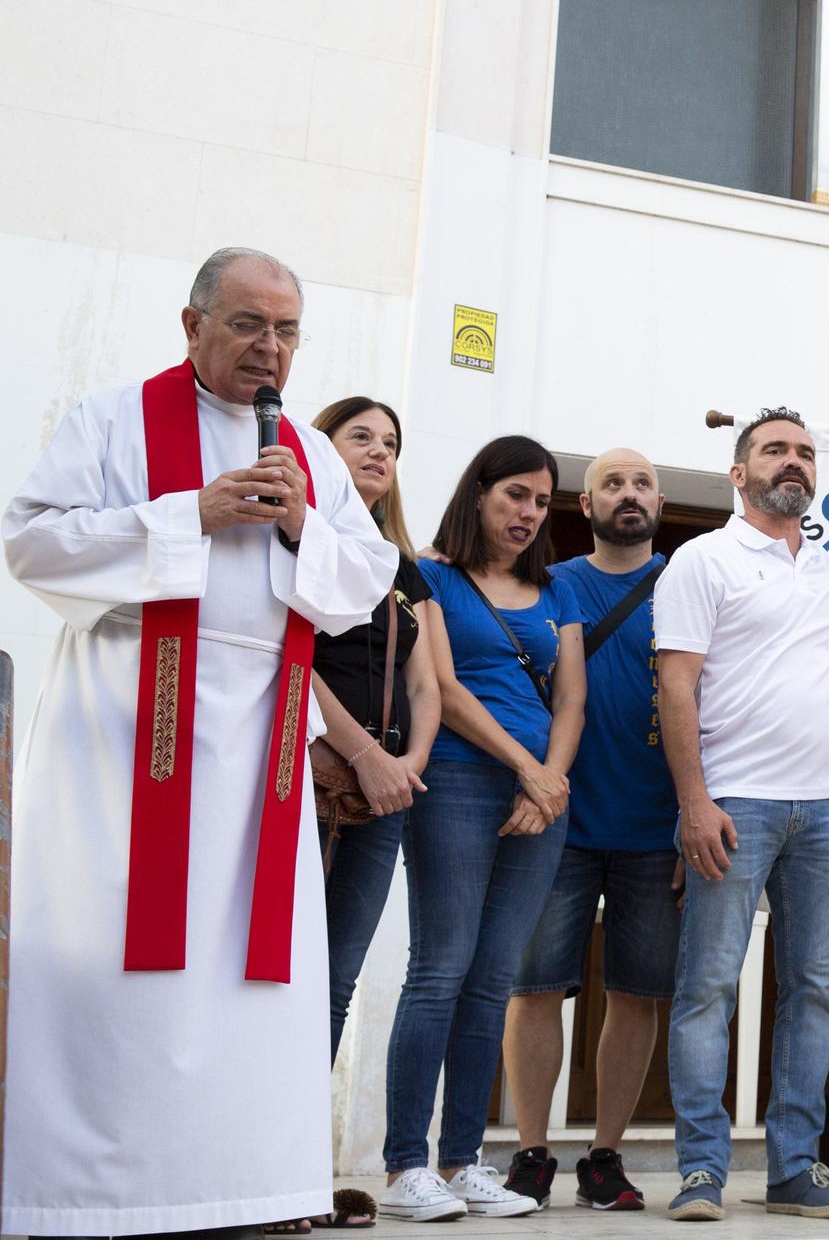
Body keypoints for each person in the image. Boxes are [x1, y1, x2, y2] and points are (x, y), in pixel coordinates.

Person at [1, 247, 398, 1238]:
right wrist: (187, 515)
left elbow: (367, 577)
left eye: (287, 330)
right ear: (192, 325)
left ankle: (248, 1187)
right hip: (125, 735)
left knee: (248, 972)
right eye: (247, 325)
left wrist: (304, 522)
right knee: (124, 959)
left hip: (260, 745)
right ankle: (95, 1194)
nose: (269, 347)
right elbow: (31, 543)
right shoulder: (110, 420)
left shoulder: (307, 450)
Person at [654, 407, 829, 1223]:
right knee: (707, 986)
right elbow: (676, 685)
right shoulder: (702, 560)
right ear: (739, 473)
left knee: (813, 990)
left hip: (828, 807)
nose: (794, 462)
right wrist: (694, 801)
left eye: (806, 452)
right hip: (734, 802)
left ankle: (795, 1168)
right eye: (775, 449)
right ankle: (702, 1168)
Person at [377, 435, 585, 1223]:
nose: (529, 512)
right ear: (480, 493)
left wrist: (550, 778)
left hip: (543, 799)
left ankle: (462, 1159)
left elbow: (571, 700)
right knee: (441, 968)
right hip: (460, 782)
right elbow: (446, 690)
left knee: (494, 979)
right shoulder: (431, 574)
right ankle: (405, 1163)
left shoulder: (555, 591)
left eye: (540, 499)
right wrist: (524, 767)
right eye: (515, 495)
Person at [502, 448, 678, 1213]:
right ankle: (531, 1150)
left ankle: (605, 1156)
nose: (628, 493)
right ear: (586, 501)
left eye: (641, 482)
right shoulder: (555, 582)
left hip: (656, 826)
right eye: (613, 482)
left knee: (636, 993)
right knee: (535, 986)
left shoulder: (688, 580)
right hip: (558, 819)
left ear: (660, 500)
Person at [303, 395, 441, 1233]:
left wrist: (409, 764)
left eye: (391, 441)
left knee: (336, 980)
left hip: (385, 789)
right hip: (312, 779)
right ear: (321, 450)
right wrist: (362, 753)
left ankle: (297, 1167)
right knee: (282, 972)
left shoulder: (402, 564)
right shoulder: (300, 540)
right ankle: (259, 1160)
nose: (380, 451)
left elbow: (428, 681)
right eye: (361, 436)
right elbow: (291, 660)